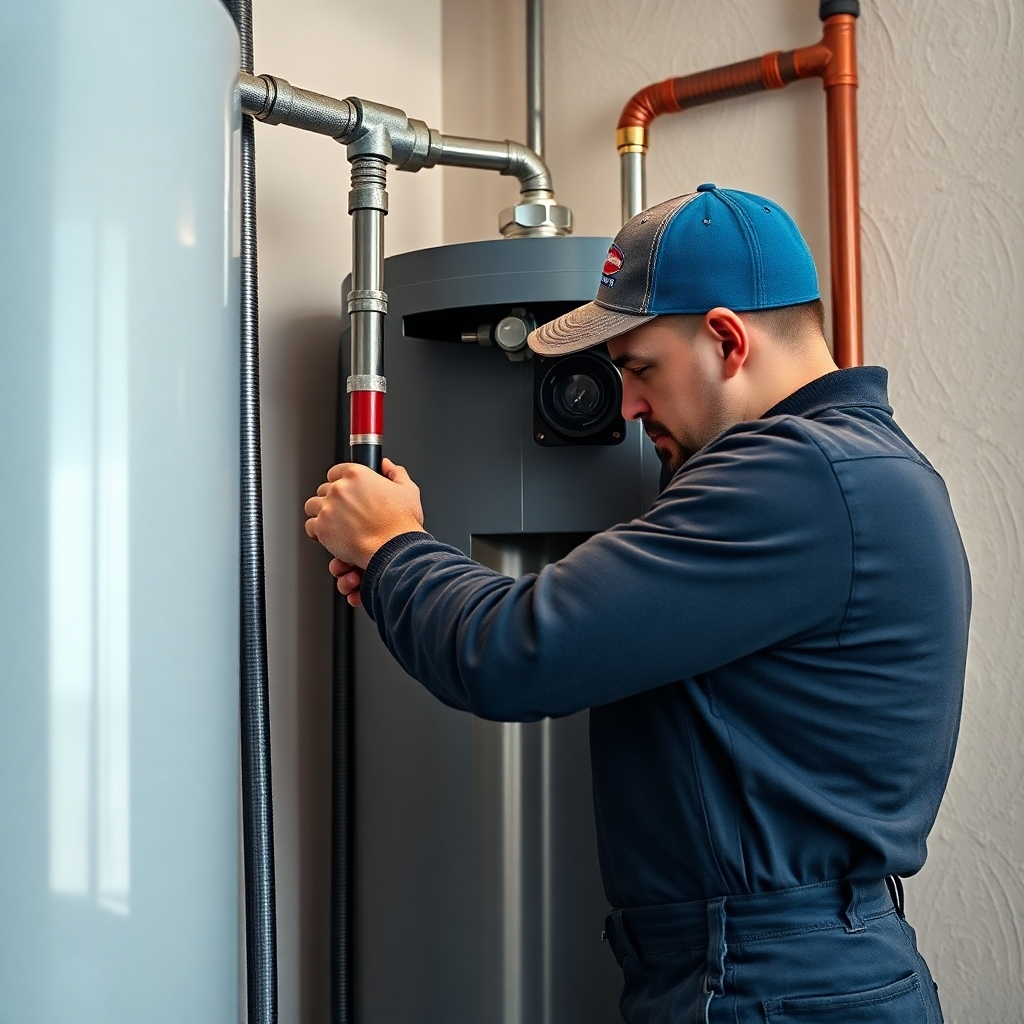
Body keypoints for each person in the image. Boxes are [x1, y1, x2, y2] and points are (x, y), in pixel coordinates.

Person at [304, 184, 969, 1023]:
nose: (625, 408)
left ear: (728, 339)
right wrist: (410, 576)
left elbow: (511, 652)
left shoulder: (791, 476)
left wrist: (393, 548)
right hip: (789, 965)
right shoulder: (865, 470)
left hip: (766, 984)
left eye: (640, 368)